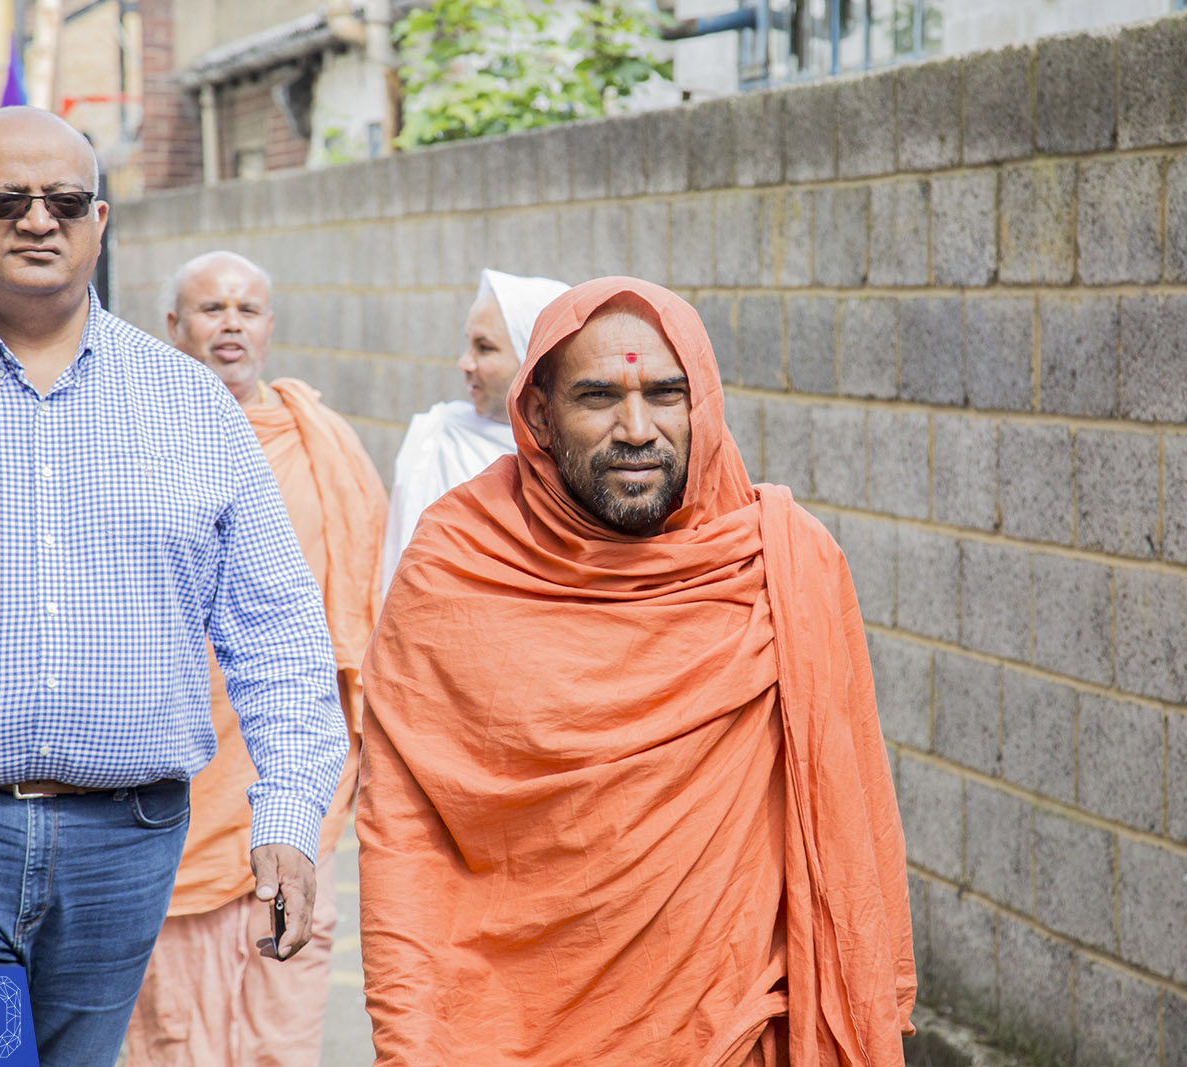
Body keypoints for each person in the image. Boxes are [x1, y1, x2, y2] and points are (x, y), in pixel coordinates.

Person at [0, 107, 345, 1066]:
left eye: (64, 200)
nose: (37, 220)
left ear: (100, 221)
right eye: (5, 199)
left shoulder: (192, 413)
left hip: (125, 845)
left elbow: (281, 636)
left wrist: (289, 820)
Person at [359, 276, 916, 1066]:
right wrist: (411, 1036)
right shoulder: (457, 569)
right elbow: (403, 836)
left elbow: (853, 813)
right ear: (541, 414)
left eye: (665, 393)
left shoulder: (780, 567)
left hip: (740, 1022)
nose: (636, 428)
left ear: (705, 405)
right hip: (514, 1029)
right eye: (598, 396)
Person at [124, 251, 385, 1066]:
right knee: (172, 1017)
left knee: (285, 1007)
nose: (230, 323)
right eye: (211, 309)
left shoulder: (322, 442)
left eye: (247, 309)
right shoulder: (139, 432)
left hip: (289, 760)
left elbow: (363, 599)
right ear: (174, 328)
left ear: (270, 327)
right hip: (169, 760)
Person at [381, 267, 568, 592]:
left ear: (534, 360)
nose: (464, 363)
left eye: (485, 348)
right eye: (469, 345)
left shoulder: (578, 456)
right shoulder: (439, 435)